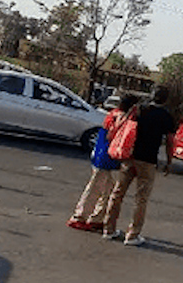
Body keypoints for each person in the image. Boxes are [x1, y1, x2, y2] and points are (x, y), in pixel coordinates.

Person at [102, 85, 176, 246]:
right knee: (141, 198)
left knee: (117, 193)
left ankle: (108, 229)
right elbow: (170, 141)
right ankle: (132, 235)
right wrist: (169, 161)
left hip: (130, 156)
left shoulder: (139, 110)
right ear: (165, 99)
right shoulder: (166, 116)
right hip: (148, 160)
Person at [67, 94, 136, 232]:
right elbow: (114, 136)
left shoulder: (112, 114)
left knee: (105, 190)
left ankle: (96, 218)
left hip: (101, 155)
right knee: (98, 189)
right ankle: (81, 217)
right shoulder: (122, 119)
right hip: (109, 157)